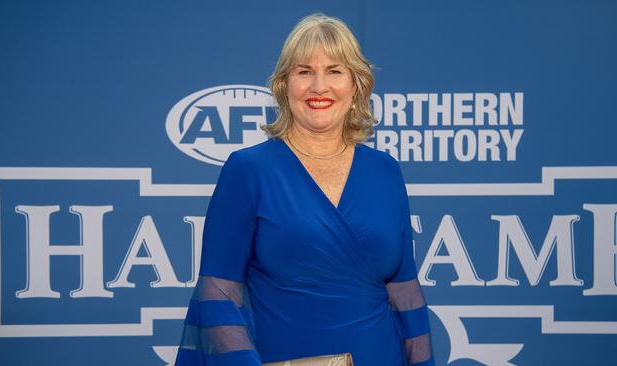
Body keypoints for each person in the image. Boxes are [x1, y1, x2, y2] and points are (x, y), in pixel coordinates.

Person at [175, 13, 435, 366]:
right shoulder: (248, 170)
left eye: (334, 71)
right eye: (304, 72)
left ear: (357, 85)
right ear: (284, 86)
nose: (319, 86)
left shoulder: (386, 171)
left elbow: (405, 293)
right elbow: (219, 292)